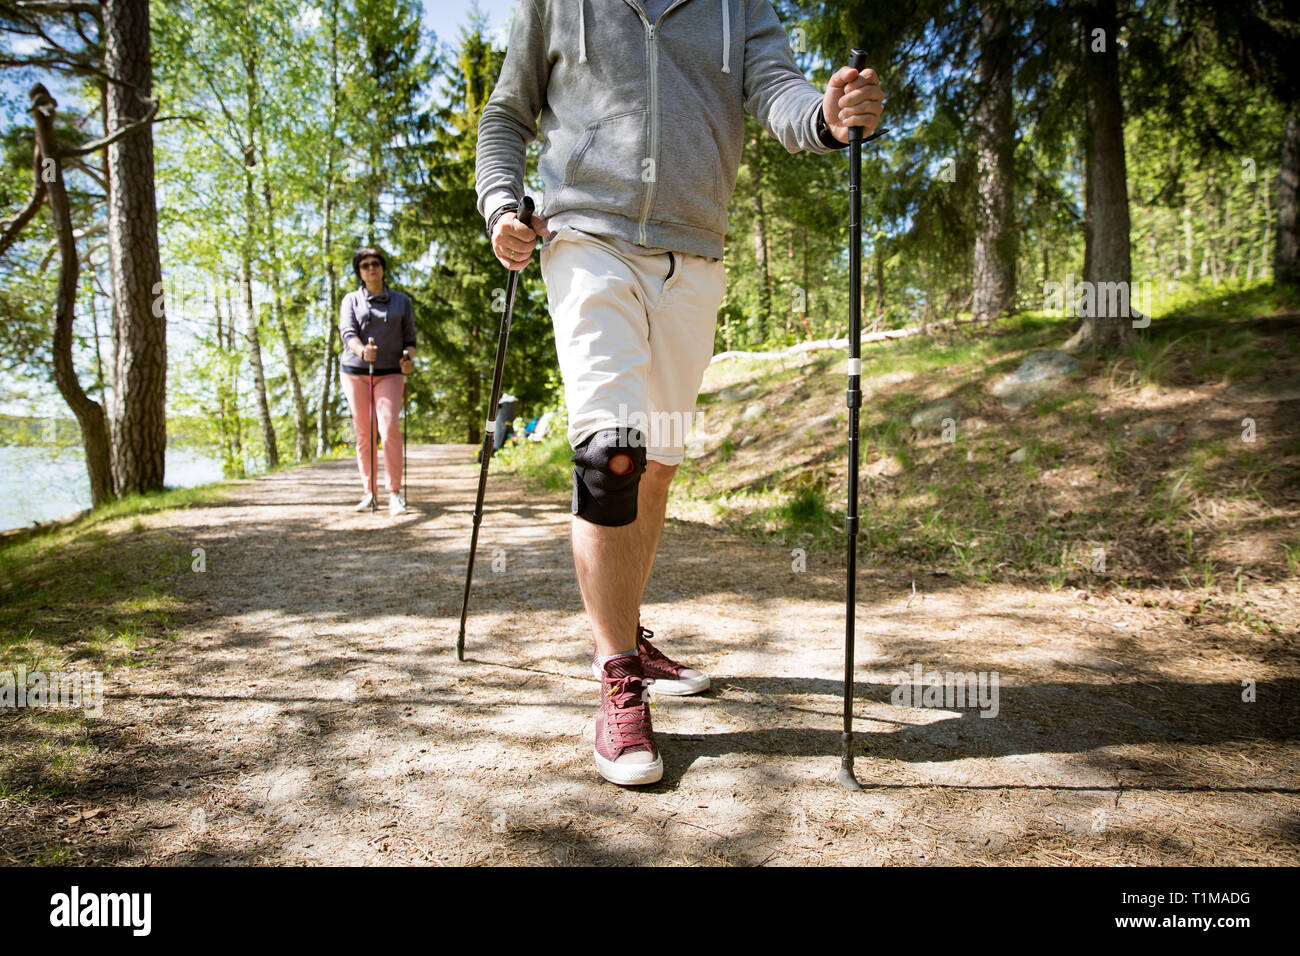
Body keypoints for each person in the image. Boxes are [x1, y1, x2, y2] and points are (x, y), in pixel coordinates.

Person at [475, 0, 883, 786]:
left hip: (694, 254)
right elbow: (506, 112)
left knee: (656, 462)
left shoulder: (739, 6)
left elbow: (779, 93)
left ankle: (625, 628)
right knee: (611, 458)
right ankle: (617, 675)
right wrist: (502, 206)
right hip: (585, 238)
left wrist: (830, 119)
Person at [339, 247, 416, 516]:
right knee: (364, 431)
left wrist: (408, 358)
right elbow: (348, 333)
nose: (371, 268)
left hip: (391, 372)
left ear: (382, 267)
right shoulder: (351, 300)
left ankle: (394, 492)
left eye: (375, 264)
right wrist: (362, 351)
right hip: (356, 371)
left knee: (389, 426)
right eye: (364, 265)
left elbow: (410, 341)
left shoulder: (401, 302)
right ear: (359, 272)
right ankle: (369, 492)